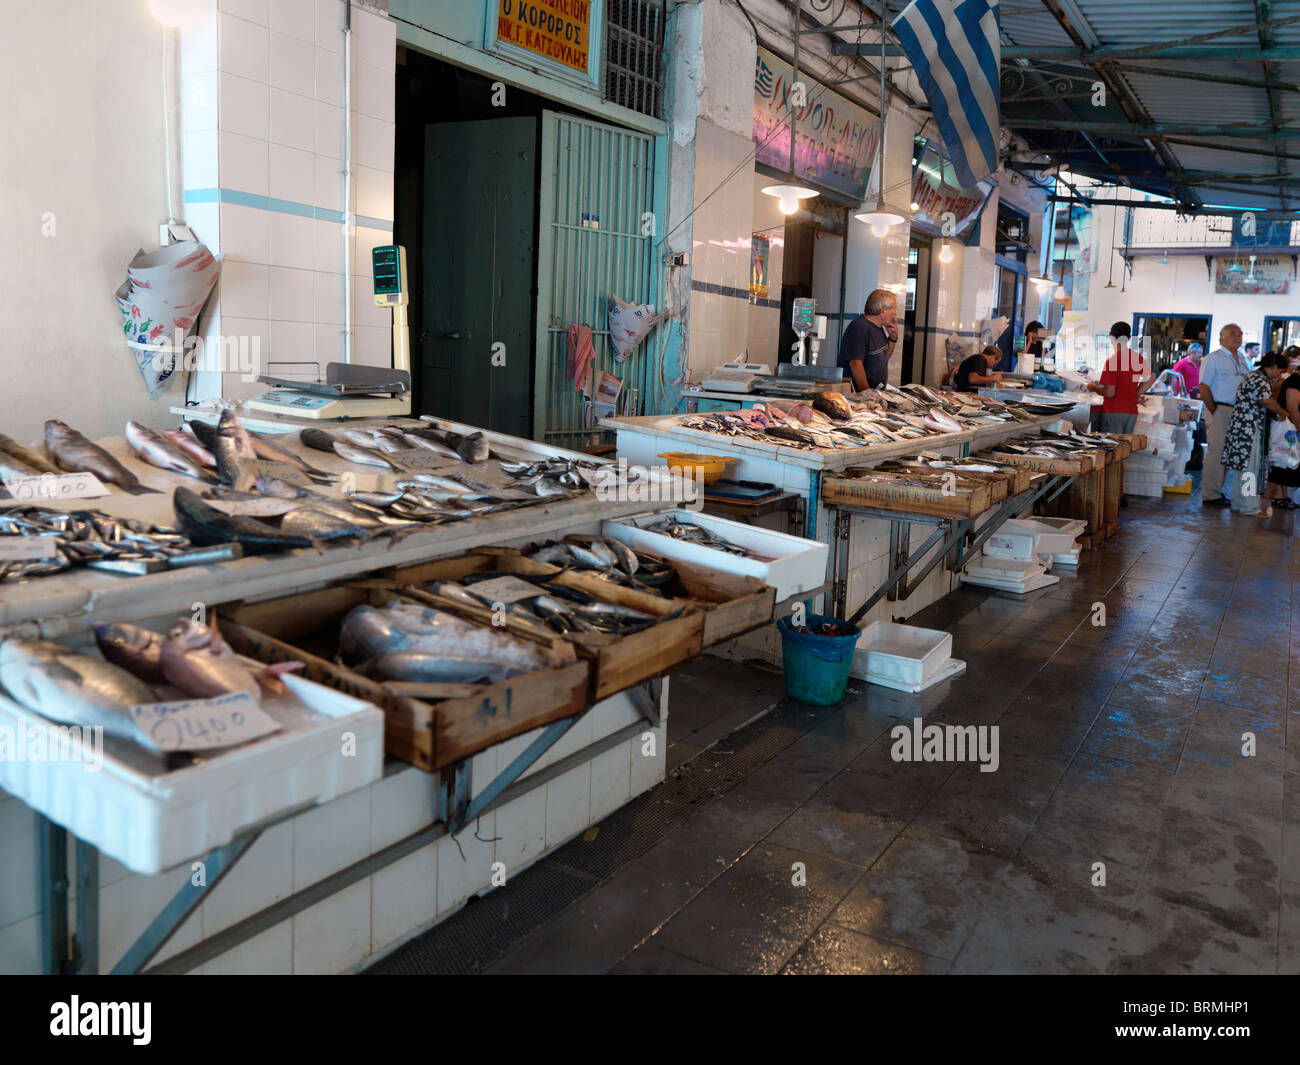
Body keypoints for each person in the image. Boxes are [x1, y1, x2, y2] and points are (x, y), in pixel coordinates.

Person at [1222, 352, 1289, 516]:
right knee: (1250, 469)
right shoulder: (1260, 379)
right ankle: (1249, 507)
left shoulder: (1253, 375)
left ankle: (1238, 503)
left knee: (1241, 468)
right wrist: (1282, 413)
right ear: (1272, 367)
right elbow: (1266, 401)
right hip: (1249, 429)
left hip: (1241, 427)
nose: (1278, 375)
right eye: (1279, 371)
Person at [1199, 323, 1251, 507]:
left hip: (1239, 412)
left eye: (1240, 334)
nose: (1238, 337)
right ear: (1222, 338)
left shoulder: (1242, 359)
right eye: (1233, 334)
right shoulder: (1214, 358)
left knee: (1229, 454)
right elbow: (1203, 386)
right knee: (1217, 452)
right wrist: (1215, 409)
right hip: (1220, 408)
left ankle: (1218, 491)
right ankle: (1210, 494)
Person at [1086, 321, 1152, 434]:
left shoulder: (1112, 361)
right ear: (1129, 337)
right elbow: (1150, 379)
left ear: (1111, 337)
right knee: (1124, 446)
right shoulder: (1137, 358)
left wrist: (1093, 387)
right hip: (1131, 412)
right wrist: (1135, 395)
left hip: (1114, 411)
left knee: (1112, 447)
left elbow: (1109, 392)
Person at [838, 289, 898, 391]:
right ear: (883, 311)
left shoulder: (879, 328)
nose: (895, 313)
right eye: (894, 309)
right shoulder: (859, 328)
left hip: (875, 394)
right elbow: (855, 364)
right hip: (857, 397)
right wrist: (867, 394)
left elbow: (883, 358)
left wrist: (892, 339)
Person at [1266, 353, 1300, 511]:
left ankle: (1283, 495)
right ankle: (1279, 496)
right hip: (1288, 428)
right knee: (1283, 460)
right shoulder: (1295, 382)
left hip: (1290, 428)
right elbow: (1293, 409)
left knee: (1287, 460)